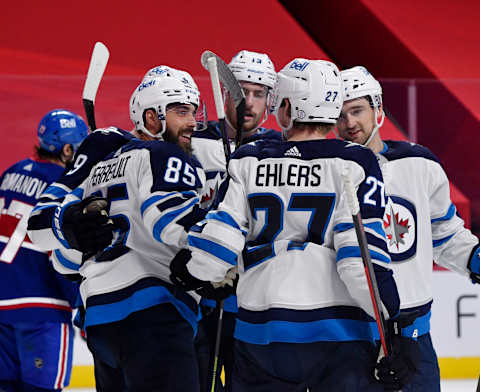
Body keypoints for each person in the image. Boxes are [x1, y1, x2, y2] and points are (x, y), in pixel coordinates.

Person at [171, 58, 406, 391]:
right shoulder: (354, 160)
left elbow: (219, 245)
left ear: (286, 108)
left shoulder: (249, 159)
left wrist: (190, 270)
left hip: (262, 333)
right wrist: (390, 321)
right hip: (338, 336)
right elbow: (360, 262)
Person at [50, 76, 207, 392]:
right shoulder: (165, 154)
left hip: (101, 323)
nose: (192, 121)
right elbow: (172, 225)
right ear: (152, 117)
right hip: (155, 315)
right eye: (180, 111)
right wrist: (220, 241)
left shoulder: (98, 169)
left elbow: (64, 262)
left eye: (193, 111)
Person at [337, 65, 480, 392]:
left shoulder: (420, 165)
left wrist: (474, 256)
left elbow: (444, 236)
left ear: (378, 109)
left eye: (357, 110)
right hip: (350, 339)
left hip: (413, 338)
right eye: (340, 115)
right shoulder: (328, 172)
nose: (349, 124)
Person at [190, 49, 280, 392]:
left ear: (271, 101)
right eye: (241, 92)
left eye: (259, 94)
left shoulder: (281, 149)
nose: (250, 103)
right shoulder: (193, 142)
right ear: (225, 93)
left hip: (258, 304)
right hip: (199, 302)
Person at [0, 109, 88, 392]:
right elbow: (61, 254)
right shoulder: (64, 187)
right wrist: (83, 307)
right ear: (67, 149)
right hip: (42, 309)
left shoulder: (11, 172)